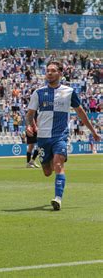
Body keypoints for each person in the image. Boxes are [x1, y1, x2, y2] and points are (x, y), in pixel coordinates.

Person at [26, 61, 100, 211]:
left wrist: (93, 131)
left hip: (60, 135)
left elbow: (80, 112)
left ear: (60, 73)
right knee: (47, 171)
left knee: (59, 164)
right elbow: (30, 114)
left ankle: (58, 198)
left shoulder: (69, 92)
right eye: (48, 70)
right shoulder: (38, 93)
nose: (49, 73)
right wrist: (30, 125)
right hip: (43, 137)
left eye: (53, 70)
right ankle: (53, 164)